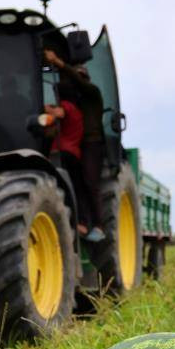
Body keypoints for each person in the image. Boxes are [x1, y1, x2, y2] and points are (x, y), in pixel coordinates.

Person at [43, 48, 105, 242]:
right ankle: (78, 221)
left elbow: (75, 85)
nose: (76, 82)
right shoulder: (74, 105)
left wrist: (59, 62)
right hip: (76, 146)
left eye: (79, 78)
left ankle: (98, 225)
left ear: (85, 78)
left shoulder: (93, 93)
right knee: (75, 182)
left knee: (88, 182)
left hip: (92, 144)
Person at [44, 81, 91, 236]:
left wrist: (45, 108)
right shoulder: (79, 112)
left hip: (62, 152)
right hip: (74, 154)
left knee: (60, 187)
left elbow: (59, 113)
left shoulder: (66, 106)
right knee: (77, 188)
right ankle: (82, 223)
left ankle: (71, 222)